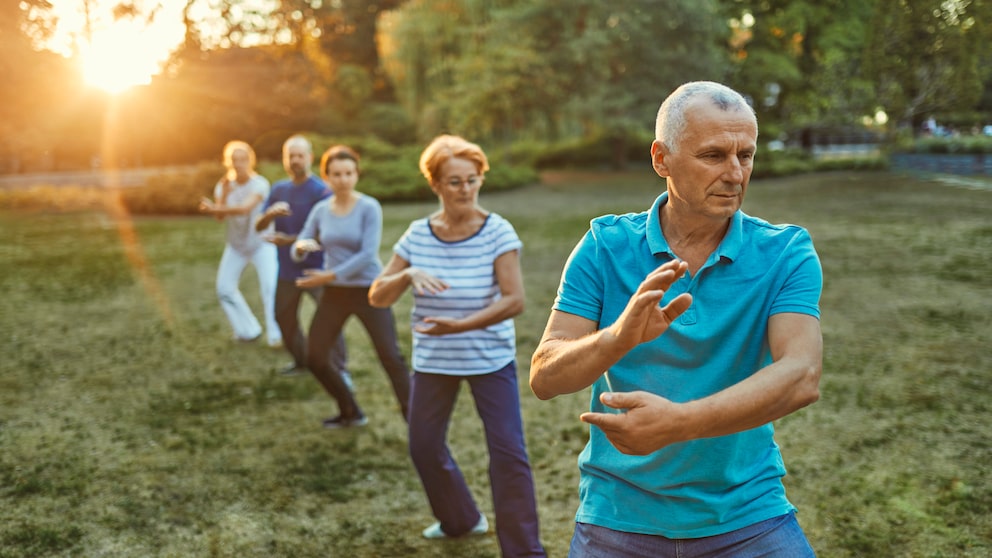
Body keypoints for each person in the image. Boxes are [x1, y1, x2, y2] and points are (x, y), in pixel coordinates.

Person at [529, 81, 823, 557]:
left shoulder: (785, 251)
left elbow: (801, 375)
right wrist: (617, 338)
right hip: (619, 516)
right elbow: (544, 376)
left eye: (745, 155)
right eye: (712, 156)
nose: (735, 174)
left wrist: (679, 423)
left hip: (747, 514)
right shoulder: (605, 246)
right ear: (661, 159)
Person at [369, 135, 546, 557]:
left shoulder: (497, 231)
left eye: (472, 180)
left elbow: (514, 299)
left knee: (508, 454)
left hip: (489, 359)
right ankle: (460, 519)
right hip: (434, 360)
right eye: (454, 182)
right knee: (423, 446)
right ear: (435, 185)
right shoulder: (417, 235)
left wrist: (461, 325)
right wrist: (407, 274)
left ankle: (524, 551)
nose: (465, 189)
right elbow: (377, 294)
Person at [292, 145, 410, 427]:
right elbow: (301, 242)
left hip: (369, 290)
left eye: (348, 173)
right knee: (315, 357)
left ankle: (416, 425)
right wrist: (300, 247)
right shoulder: (321, 210)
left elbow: (367, 255)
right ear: (327, 177)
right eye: (336, 174)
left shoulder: (369, 207)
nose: (343, 179)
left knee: (390, 357)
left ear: (356, 175)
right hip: (335, 294)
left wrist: (327, 276)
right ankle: (350, 411)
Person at [255, 135, 349, 381]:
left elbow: (325, 234)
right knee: (283, 316)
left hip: (316, 269)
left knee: (329, 319)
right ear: (285, 160)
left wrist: (290, 241)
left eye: (300, 155)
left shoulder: (321, 191)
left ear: (310, 158)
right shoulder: (278, 190)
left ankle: (340, 368)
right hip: (287, 271)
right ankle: (301, 361)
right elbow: (258, 226)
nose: (295, 160)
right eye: (290, 156)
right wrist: (269, 215)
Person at [198, 140, 280, 346]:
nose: (238, 164)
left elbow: (245, 208)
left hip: (262, 243)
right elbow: (219, 218)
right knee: (224, 289)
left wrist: (213, 208)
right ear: (228, 163)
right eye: (234, 160)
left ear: (250, 161)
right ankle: (247, 331)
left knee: (270, 287)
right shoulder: (223, 185)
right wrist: (224, 195)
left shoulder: (260, 183)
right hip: (237, 245)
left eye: (243, 159)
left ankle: (276, 336)